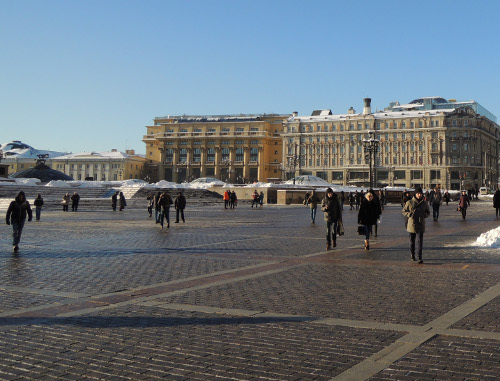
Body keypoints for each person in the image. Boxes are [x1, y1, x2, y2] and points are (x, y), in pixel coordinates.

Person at [402, 187, 430, 263]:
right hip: (412, 224)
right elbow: (404, 211)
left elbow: (428, 212)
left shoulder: (424, 203)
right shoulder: (409, 202)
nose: (419, 195)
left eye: (420, 193)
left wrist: (424, 215)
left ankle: (419, 257)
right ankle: (412, 254)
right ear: (415, 194)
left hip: (421, 224)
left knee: (420, 241)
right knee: (412, 241)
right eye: (418, 193)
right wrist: (410, 214)